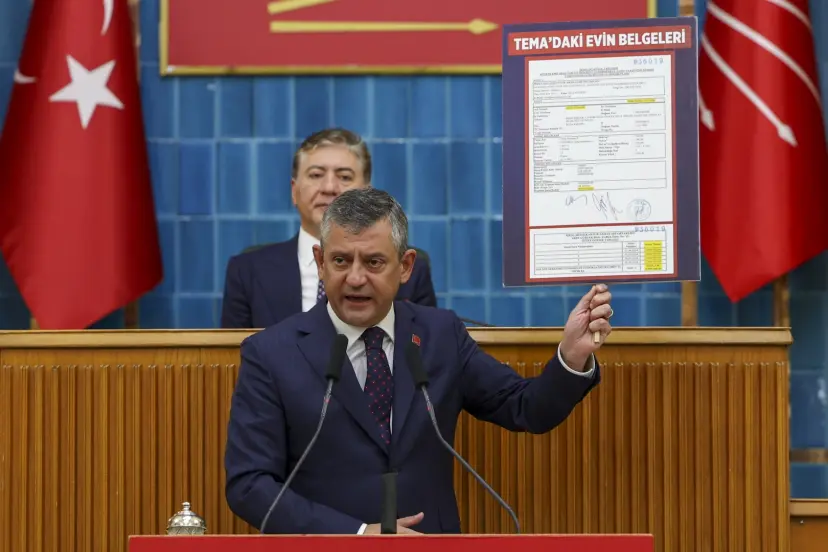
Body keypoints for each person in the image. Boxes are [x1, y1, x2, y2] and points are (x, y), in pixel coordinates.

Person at [224, 188, 613, 535]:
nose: (355, 278)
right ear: (320, 262)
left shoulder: (440, 335)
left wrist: (571, 357)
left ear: (406, 266)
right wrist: (355, 534)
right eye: (340, 261)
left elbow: (526, 408)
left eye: (373, 263)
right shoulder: (271, 353)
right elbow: (249, 485)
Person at [220, 128, 437, 328]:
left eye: (344, 177)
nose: (329, 187)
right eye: (316, 175)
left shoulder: (408, 267)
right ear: (294, 191)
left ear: (367, 194)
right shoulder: (247, 271)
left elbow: (425, 348)